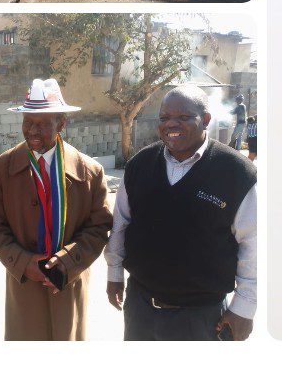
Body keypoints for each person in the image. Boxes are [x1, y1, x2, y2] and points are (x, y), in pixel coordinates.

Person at [106, 84, 257, 341]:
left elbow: (252, 245)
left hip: (201, 317)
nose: (171, 125)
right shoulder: (139, 165)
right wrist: (114, 274)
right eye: (164, 118)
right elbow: (121, 224)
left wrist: (244, 308)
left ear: (205, 120)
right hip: (140, 310)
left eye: (183, 117)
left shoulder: (236, 173)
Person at [0, 79, 114, 341]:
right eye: (28, 122)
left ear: (61, 123)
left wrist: (68, 262)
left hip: (69, 282)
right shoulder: (2, 169)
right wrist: (24, 263)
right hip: (24, 283)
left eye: (43, 123)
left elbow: (99, 228)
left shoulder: (89, 171)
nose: (33, 130)